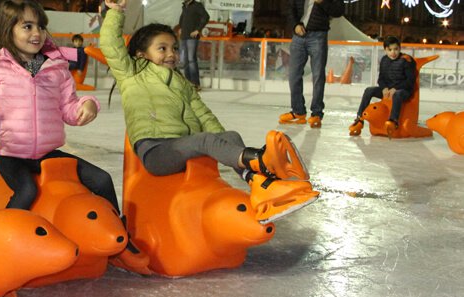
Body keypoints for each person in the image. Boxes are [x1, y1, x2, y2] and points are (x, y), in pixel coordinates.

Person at [101, 0, 319, 224]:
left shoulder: (182, 83)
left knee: (230, 136)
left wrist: (224, 142)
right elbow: (110, 45)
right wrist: (116, 12)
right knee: (204, 140)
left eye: (174, 48)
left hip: (182, 146)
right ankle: (261, 160)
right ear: (141, 54)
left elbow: (204, 115)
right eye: (162, 48)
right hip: (156, 150)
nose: (171, 54)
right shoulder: (133, 73)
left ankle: (260, 185)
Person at [0, 0, 145, 264]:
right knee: (26, 191)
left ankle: (120, 239)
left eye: (40, 26)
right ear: (8, 29)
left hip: (48, 153)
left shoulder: (56, 68)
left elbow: (69, 108)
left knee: (102, 178)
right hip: (12, 154)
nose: (36, 33)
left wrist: (87, 105)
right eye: (27, 26)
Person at [279, 0, 344, 128]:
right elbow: (290, 8)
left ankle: (316, 113)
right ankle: (298, 112)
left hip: (318, 35)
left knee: (318, 75)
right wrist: (295, 25)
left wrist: (323, 2)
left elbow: (339, 11)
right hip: (298, 36)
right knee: (293, 75)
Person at [349, 36, 415, 137]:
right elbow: (381, 79)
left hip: (403, 90)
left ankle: (393, 121)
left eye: (396, 49)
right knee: (369, 90)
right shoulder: (384, 60)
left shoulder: (406, 60)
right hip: (388, 90)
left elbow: (410, 81)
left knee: (397, 94)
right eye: (390, 50)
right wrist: (384, 87)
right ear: (385, 50)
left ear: (400, 48)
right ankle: (359, 119)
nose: (393, 52)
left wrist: (396, 88)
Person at [178, 0, 209, 90]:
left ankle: (196, 84)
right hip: (184, 36)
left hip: (192, 37)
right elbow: (182, 18)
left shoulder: (197, 5)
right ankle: (188, 83)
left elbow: (206, 16)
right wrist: (180, 27)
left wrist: (198, 30)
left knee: (191, 59)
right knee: (184, 60)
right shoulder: (184, 6)